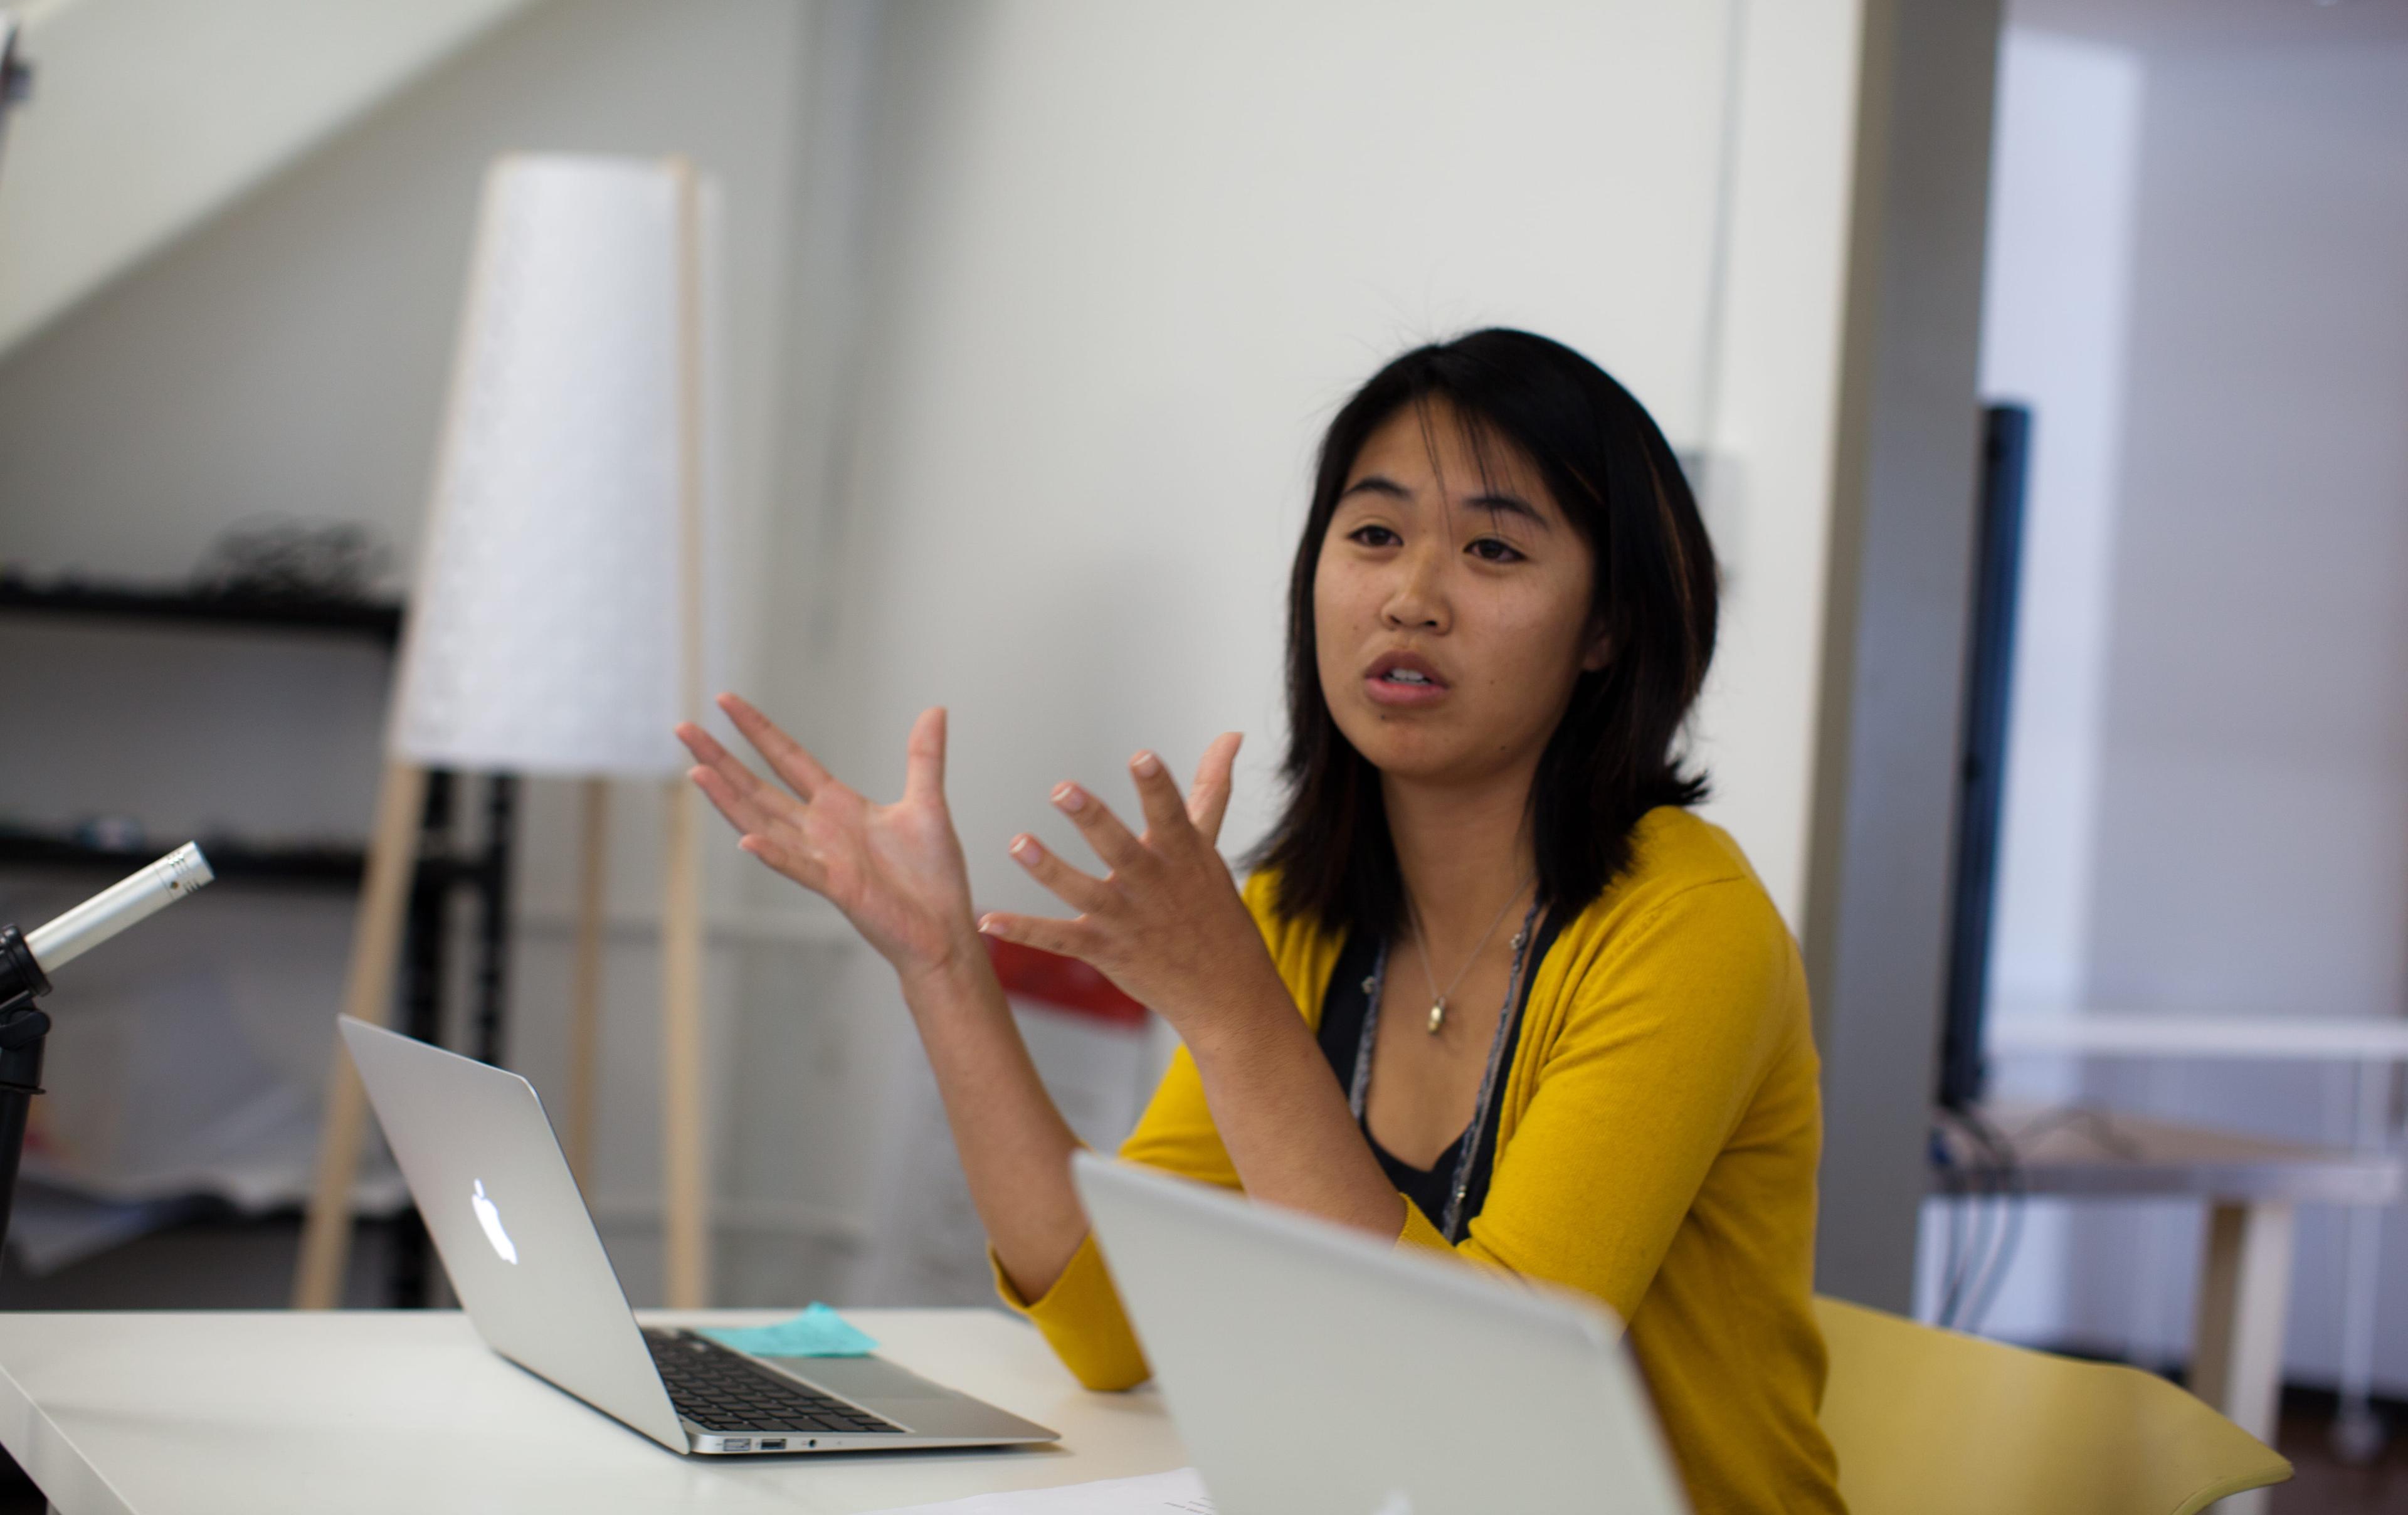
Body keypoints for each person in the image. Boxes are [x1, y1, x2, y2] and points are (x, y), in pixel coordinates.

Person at [678, 329, 1845, 1514]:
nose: (1411, 597)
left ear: (1607, 629)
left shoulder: (1687, 926)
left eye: (1493, 549)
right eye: (1374, 535)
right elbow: (1103, 1314)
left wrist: (1233, 1008)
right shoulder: (1310, 906)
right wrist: (935, 958)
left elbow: (1482, 1409)